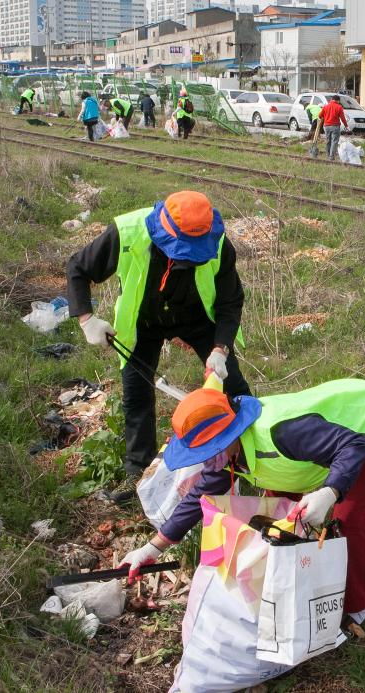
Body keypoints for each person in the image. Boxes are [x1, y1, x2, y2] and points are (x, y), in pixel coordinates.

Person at [121, 377, 365, 631]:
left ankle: (363, 609)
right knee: (275, 516)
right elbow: (198, 497)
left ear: (229, 434)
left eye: (211, 451)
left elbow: (352, 446)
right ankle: (301, 579)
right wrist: (152, 548)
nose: (207, 461)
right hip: (334, 441)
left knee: (346, 521)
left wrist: (330, 492)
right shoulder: (228, 454)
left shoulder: (280, 433)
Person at [67, 190, 248, 503]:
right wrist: (86, 319)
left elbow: (230, 301)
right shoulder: (127, 231)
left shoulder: (219, 243)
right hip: (143, 321)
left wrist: (220, 348)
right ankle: (139, 476)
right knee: (137, 397)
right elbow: (78, 268)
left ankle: (248, 460)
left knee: (235, 387)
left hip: (196, 317)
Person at [320, 94, 347, 161]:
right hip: (335, 126)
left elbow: (320, 115)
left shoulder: (326, 106)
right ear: (338, 100)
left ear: (332, 99)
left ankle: (328, 155)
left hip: (326, 127)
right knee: (334, 141)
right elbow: (342, 118)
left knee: (328, 141)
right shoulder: (339, 107)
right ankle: (331, 157)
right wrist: (346, 125)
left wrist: (325, 116)